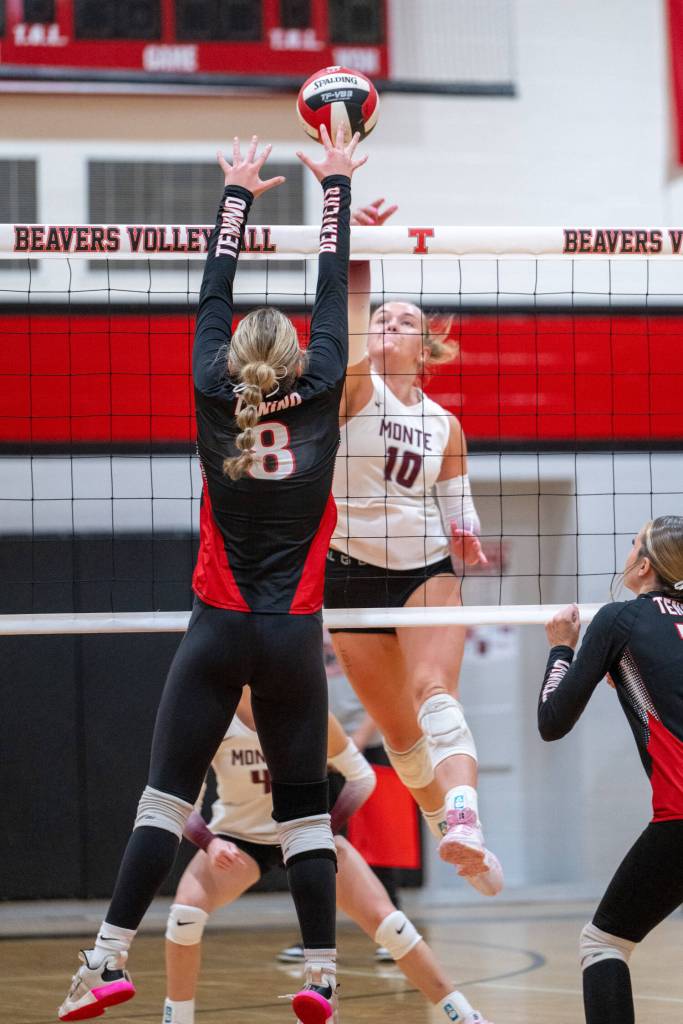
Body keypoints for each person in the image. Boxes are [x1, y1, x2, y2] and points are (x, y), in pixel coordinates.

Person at [58, 126, 366, 1024]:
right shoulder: (323, 388)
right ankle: (319, 976)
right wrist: (335, 180)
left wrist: (235, 193)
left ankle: (107, 961)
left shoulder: (207, 390)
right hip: (293, 638)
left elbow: (211, 291)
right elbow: (329, 279)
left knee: (162, 799)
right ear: (303, 360)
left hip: (217, 625)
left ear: (232, 361)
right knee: (305, 815)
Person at [324, 198, 503, 896]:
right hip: (349, 577)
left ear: (425, 347)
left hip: (424, 570)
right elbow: (343, 309)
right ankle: (449, 835)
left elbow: (459, 510)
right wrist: (359, 242)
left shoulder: (444, 424)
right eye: (380, 318)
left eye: (403, 321)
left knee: (434, 694)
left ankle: (465, 817)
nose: (385, 326)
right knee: (400, 738)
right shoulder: (354, 391)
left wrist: (469, 536)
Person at [163, 688, 493, 1024]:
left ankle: (464, 1016)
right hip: (239, 839)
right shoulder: (213, 718)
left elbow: (361, 777)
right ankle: (176, 1019)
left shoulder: (306, 709)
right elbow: (182, 800)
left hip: (306, 832)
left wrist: (327, 829)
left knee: (391, 926)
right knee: (184, 916)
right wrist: (209, 842)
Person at [537, 515, 683, 1024]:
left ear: (644, 566)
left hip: (681, 816)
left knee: (603, 944)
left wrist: (562, 648)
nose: (626, 551)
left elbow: (552, 721)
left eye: (632, 544)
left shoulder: (620, 619)